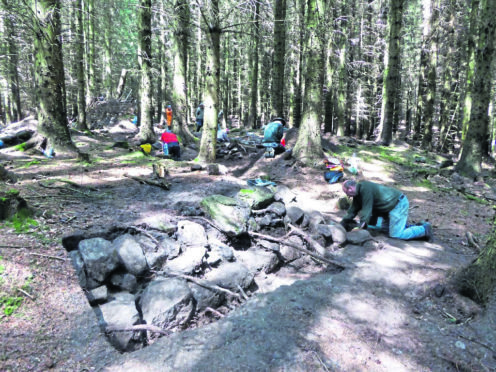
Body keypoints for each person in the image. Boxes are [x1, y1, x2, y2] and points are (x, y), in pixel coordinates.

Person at [340, 179, 433, 241]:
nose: (347, 195)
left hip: (398, 205)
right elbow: (352, 210)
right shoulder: (357, 195)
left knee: (396, 234)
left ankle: (424, 229)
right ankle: (411, 227)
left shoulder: (365, 189)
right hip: (388, 209)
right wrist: (342, 224)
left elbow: (367, 210)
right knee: (381, 229)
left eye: (346, 192)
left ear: (351, 188)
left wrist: (361, 226)